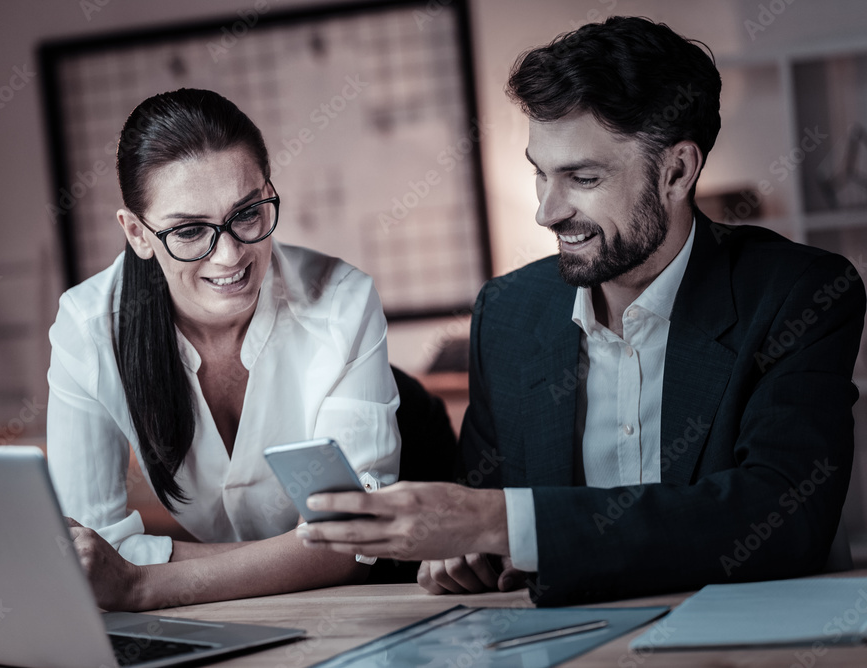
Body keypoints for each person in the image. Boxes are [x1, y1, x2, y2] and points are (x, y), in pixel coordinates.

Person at [296, 16, 866, 606]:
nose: (546, 212)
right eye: (539, 173)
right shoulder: (509, 313)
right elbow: (481, 525)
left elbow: (782, 517)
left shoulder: (800, 293)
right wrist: (461, 553)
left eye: (583, 177)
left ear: (677, 171)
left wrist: (502, 523)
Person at [46, 88, 400, 611]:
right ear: (138, 234)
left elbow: (350, 542)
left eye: (247, 214)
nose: (230, 254)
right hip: (222, 609)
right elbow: (91, 554)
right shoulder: (88, 327)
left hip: (364, 594)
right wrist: (289, 557)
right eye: (189, 230)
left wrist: (142, 582)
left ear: (268, 192)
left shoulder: (344, 302)